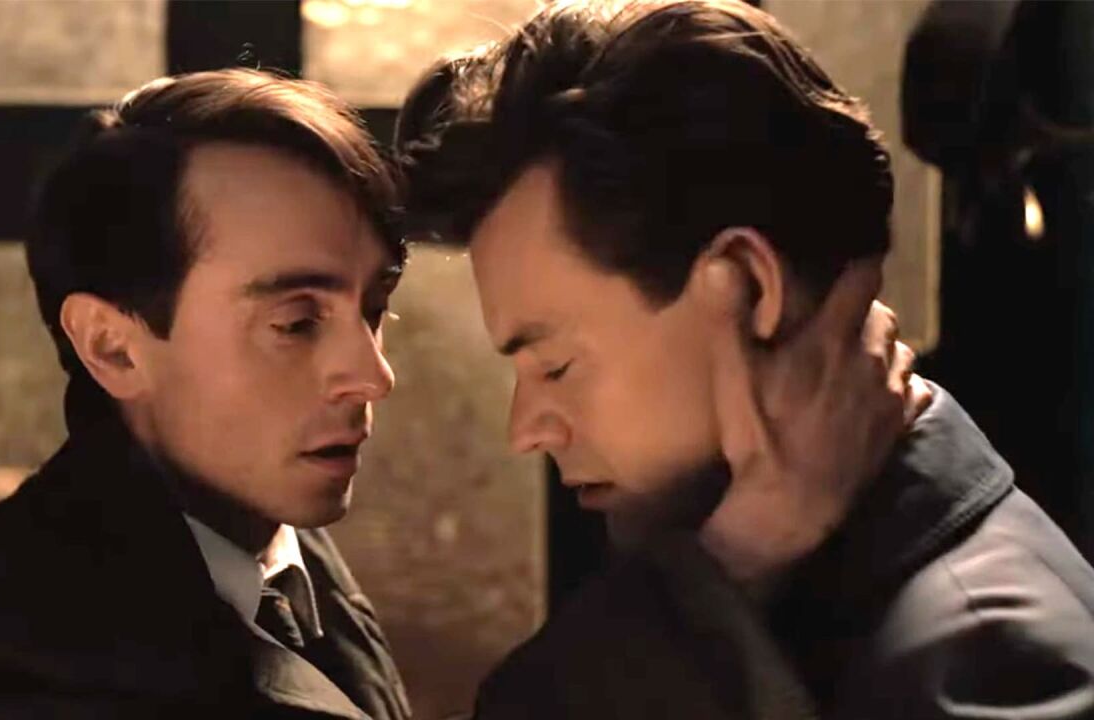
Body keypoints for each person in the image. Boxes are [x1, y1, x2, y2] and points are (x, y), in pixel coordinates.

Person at [397, 1, 1094, 717]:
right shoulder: (764, 582)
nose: (526, 430)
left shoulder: (986, 665)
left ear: (751, 287)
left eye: (555, 367)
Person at [0, 69, 411, 719]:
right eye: (297, 322)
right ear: (112, 346)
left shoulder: (286, 562)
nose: (374, 375)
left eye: (375, 309)